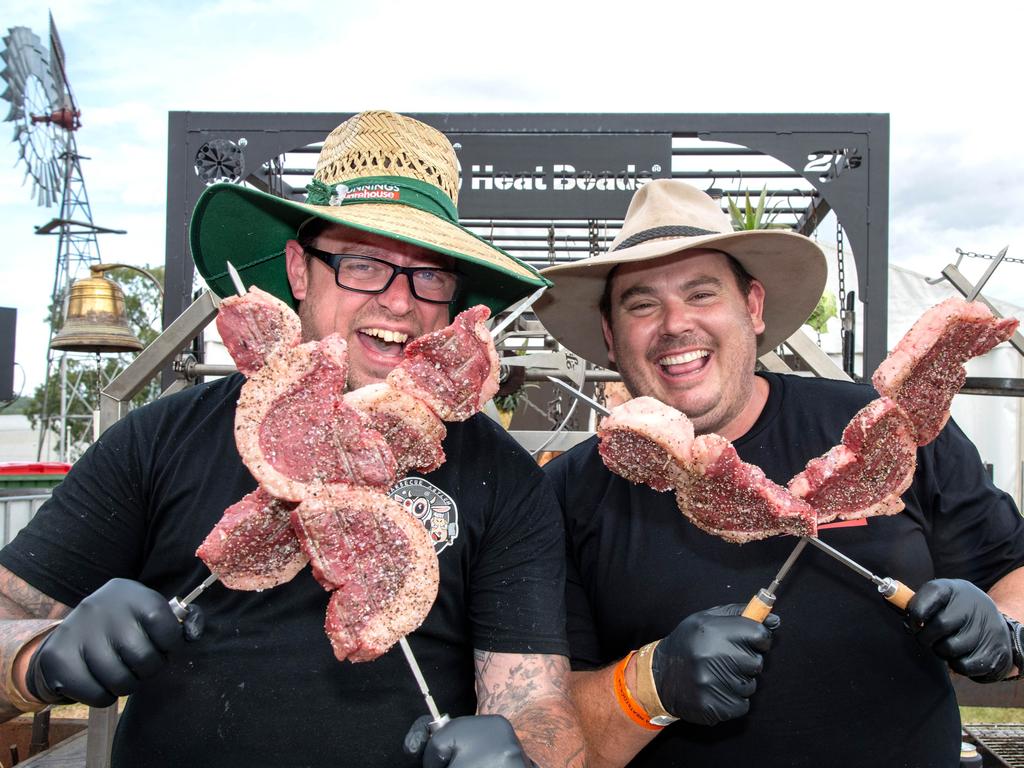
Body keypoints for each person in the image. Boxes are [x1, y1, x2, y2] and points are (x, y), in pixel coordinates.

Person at [0, 111, 585, 768]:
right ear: (299, 271)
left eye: (429, 275)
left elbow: (535, 700)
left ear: (453, 299)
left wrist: (523, 755)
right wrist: (36, 657)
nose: (399, 302)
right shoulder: (159, 439)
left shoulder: (502, 476)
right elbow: (8, 606)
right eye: (362, 264)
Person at [533, 179, 1024, 768]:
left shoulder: (881, 430)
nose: (674, 324)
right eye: (642, 304)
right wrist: (648, 685)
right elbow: (547, 724)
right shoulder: (568, 493)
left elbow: (1010, 566)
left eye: (702, 293)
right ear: (612, 339)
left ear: (754, 307)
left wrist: (1007, 630)